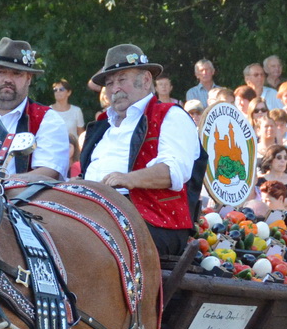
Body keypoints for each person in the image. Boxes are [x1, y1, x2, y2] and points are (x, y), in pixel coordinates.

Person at [79, 44, 204, 257]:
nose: (114, 88)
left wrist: (128, 179)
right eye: (109, 83)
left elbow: (174, 171)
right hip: (93, 211)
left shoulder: (171, 115)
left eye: (122, 80)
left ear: (146, 80)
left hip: (153, 221)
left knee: (84, 240)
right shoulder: (100, 126)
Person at [0, 38, 71, 182]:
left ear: (29, 78)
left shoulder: (48, 120)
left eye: (16, 74)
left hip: (18, 203)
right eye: (1, 72)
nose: (8, 79)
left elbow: (48, 173)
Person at [50, 80, 86, 156]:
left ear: (69, 92)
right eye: (55, 90)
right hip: (54, 151)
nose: (58, 92)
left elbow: (81, 135)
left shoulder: (76, 111)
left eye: (61, 89)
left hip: (73, 153)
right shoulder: (48, 111)